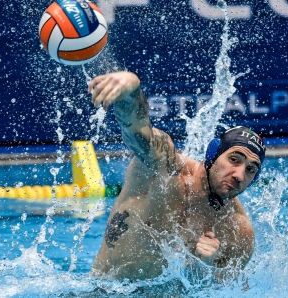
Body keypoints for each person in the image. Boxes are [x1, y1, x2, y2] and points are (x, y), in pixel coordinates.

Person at [87, 71, 266, 281]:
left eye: (251, 169)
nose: (239, 174)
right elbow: (137, 131)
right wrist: (131, 91)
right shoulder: (165, 167)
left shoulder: (238, 232)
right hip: (104, 291)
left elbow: (213, 291)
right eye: (234, 159)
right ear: (212, 154)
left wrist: (202, 266)